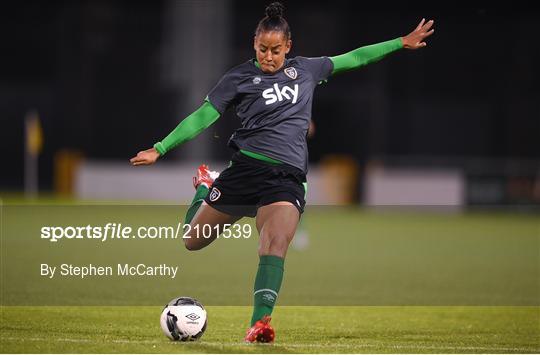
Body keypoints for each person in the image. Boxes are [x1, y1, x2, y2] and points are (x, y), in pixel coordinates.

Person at [130, 2, 434, 343]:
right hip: (244, 171)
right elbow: (203, 116)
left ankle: (260, 323)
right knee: (191, 241)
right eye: (262, 49)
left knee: (274, 243)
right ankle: (205, 188)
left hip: (285, 178)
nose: (269, 56)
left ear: (288, 47)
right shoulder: (238, 78)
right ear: (254, 45)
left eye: (276, 50)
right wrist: (161, 147)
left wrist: (399, 43)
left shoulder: (307, 70)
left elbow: (356, 57)